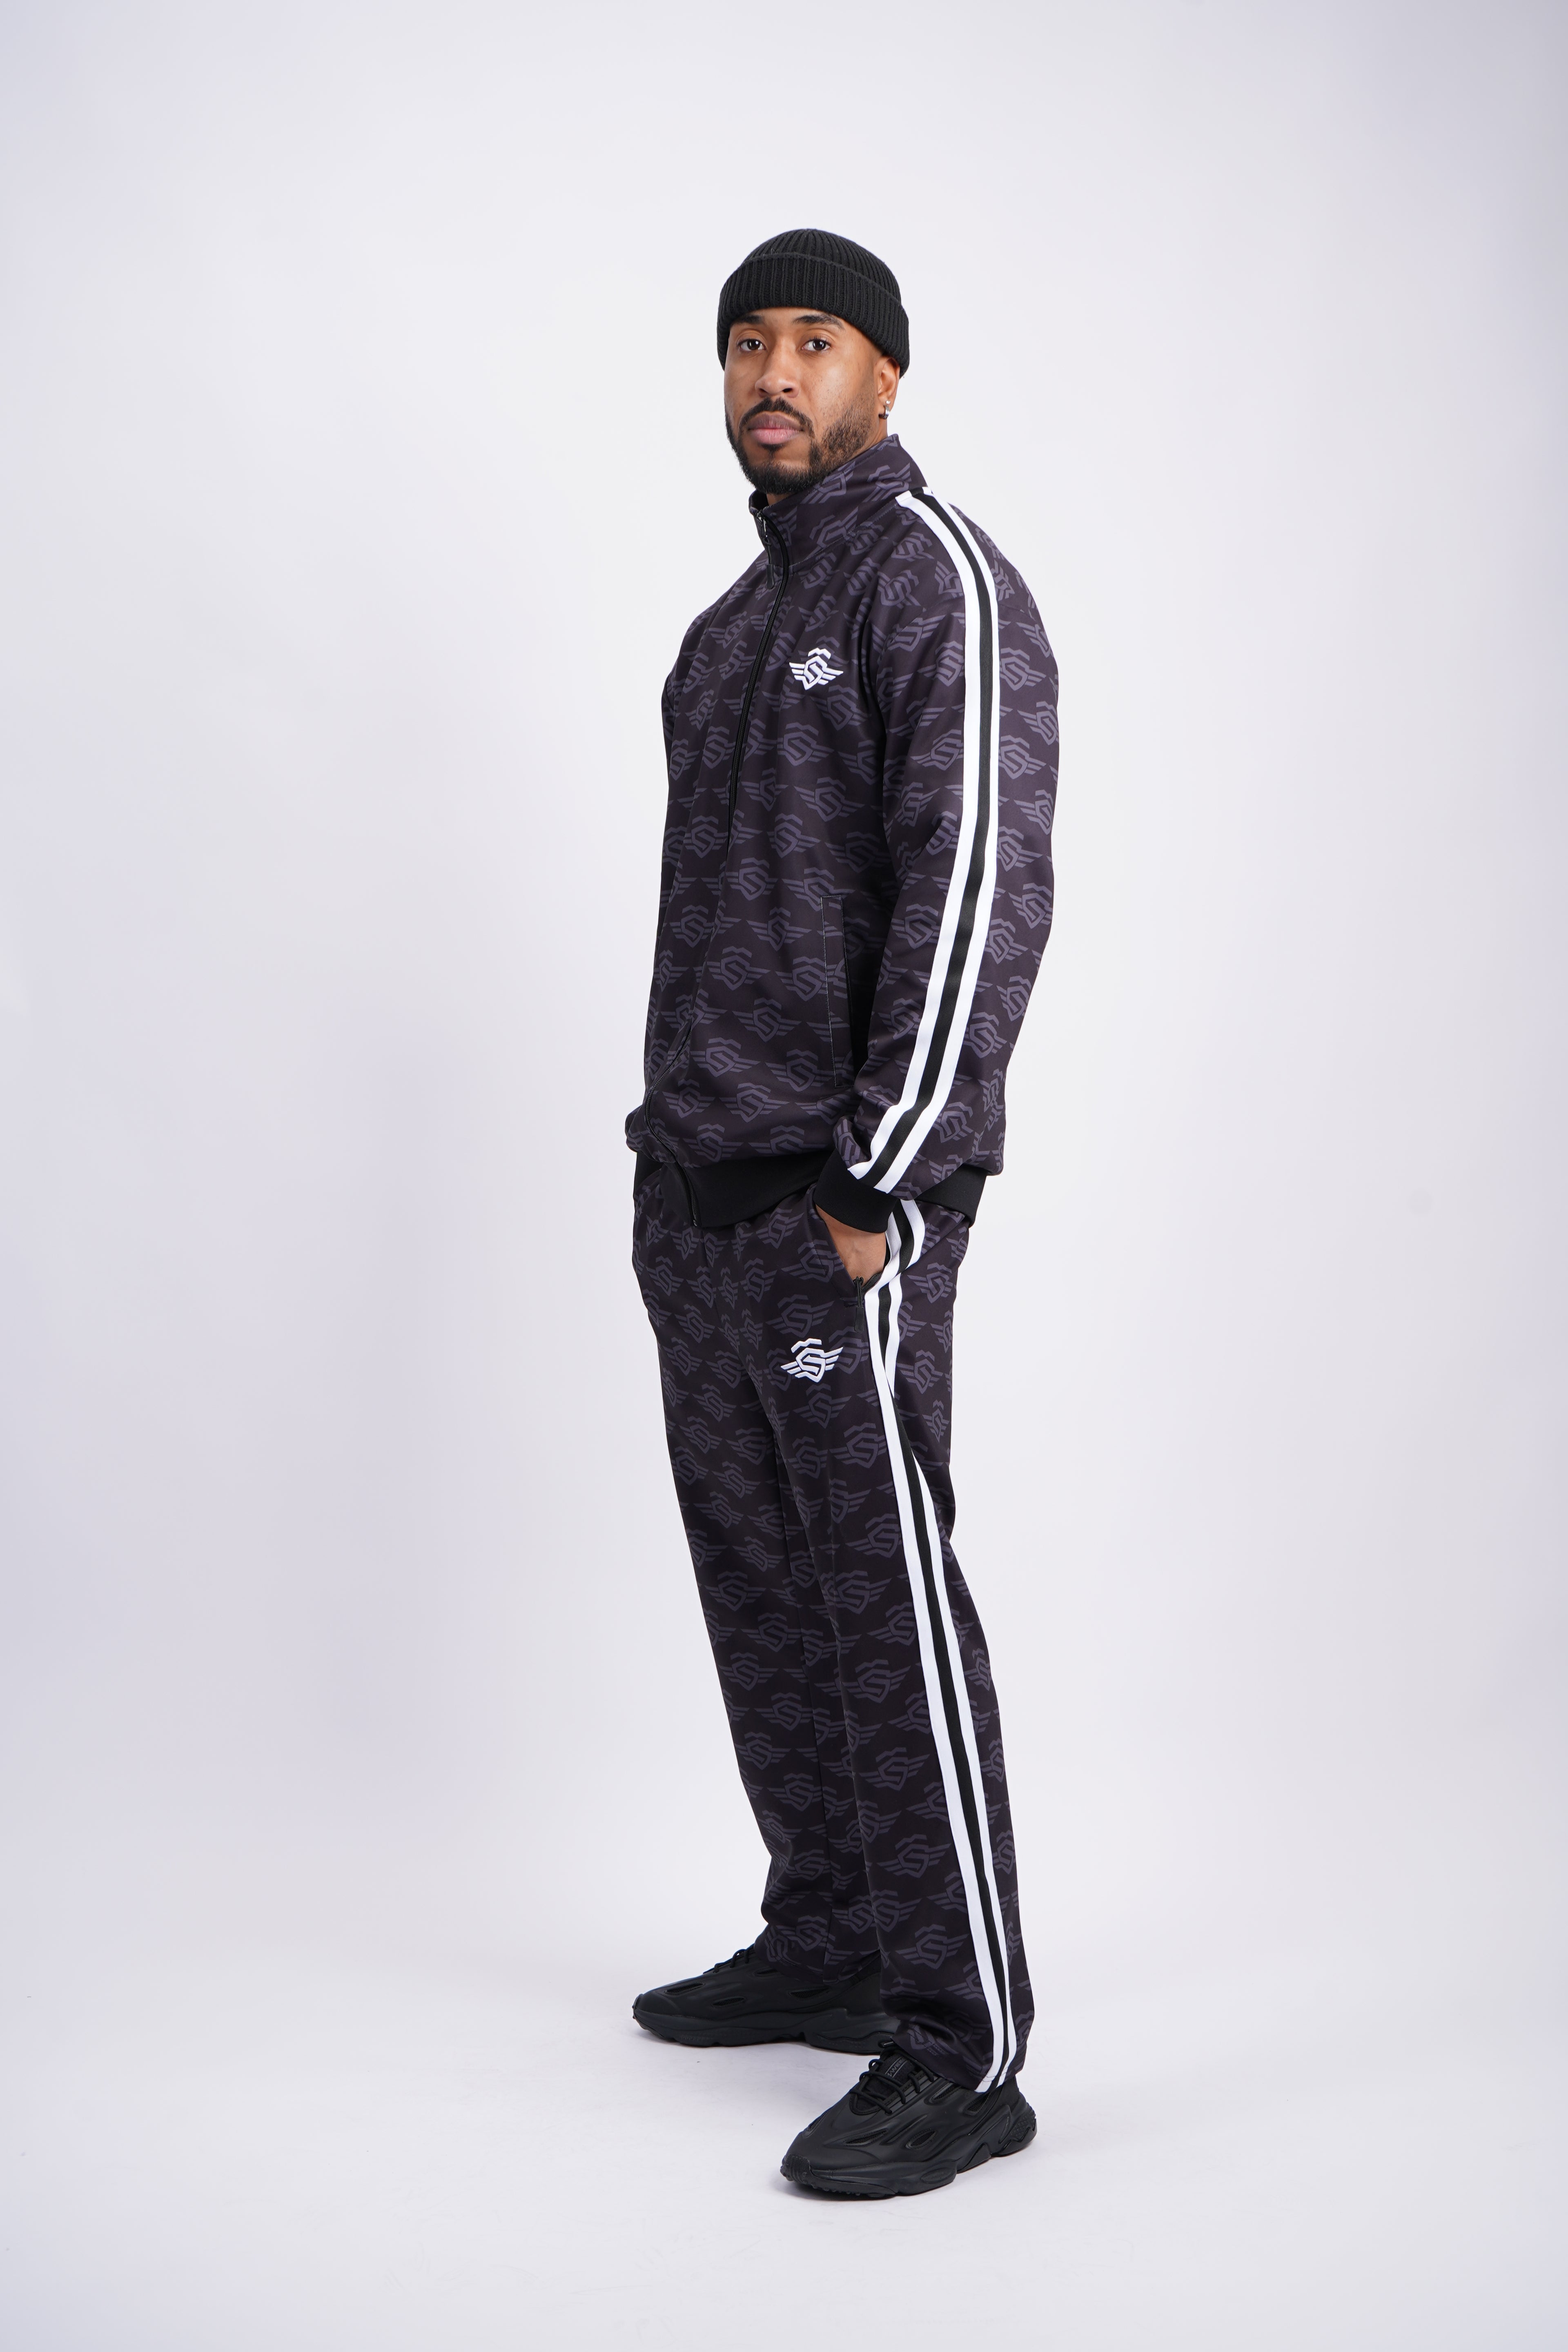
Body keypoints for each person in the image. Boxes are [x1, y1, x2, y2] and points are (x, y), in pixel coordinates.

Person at [627, 228, 1059, 2198]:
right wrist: (666, 1174)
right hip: (698, 1199)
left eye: (814, 340)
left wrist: (878, 1178)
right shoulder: (727, 630)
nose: (773, 374)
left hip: (840, 1204)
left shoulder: (932, 580)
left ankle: (963, 2043)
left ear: (886, 373)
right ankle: (829, 1929)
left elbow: (978, 887)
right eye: (745, 342)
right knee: (762, 1586)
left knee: (883, 1598)